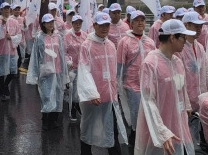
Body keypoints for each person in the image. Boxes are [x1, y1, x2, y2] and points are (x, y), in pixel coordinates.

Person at [135, 19, 194, 155]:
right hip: (158, 127)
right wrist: (162, 131)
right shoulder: (150, 64)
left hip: (178, 123)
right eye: (183, 37)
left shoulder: (177, 62)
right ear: (172, 38)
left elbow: (182, 90)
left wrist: (187, 105)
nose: (185, 41)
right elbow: (148, 101)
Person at [77, 12, 127, 154]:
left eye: (107, 25)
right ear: (94, 26)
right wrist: (92, 93)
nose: (105, 28)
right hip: (93, 98)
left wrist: (116, 90)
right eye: (101, 25)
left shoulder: (110, 45)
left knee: (112, 128)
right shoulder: (87, 46)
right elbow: (84, 70)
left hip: (109, 97)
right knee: (88, 127)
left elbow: (113, 71)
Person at [116, 10, 155, 147]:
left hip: (148, 86)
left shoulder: (149, 42)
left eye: (142, 20)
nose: (140, 23)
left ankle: (146, 146)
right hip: (131, 87)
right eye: (137, 20)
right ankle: (134, 145)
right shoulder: (124, 42)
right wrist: (118, 87)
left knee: (149, 117)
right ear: (131, 23)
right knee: (136, 119)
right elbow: (119, 66)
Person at [27, 13, 69, 130]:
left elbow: (61, 54)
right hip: (45, 72)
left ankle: (54, 120)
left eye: (52, 22)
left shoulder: (58, 37)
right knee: (46, 97)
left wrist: (64, 72)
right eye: (48, 22)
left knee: (57, 96)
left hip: (58, 71)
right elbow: (35, 56)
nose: (51, 24)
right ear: (43, 24)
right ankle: (45, 121)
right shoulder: (39, 38)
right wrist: (34, 74)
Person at [177, 11, 208, 144]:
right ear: (186, 25)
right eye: (196, 26)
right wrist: (186, 103)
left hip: (200, 100)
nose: (199, 29)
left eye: (200, 26)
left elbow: (206, 73)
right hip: (187, 102)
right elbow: (179, 80)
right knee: (187, 138)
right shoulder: (180, 48)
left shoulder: (200, 47)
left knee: (199, 138)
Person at [0, 2, 22, 101]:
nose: (7, 10)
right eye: (5, 8)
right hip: (0, 51)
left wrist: (12, 38)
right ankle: (1, 93)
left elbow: (19, 35)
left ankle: (5, 85)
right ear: (1, 10)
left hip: (12, 51)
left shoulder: (14, 22)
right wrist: (2, 26)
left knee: (13, 71)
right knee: (0, 72)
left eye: (8, 8)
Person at [63, 14, 87, 122]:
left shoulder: (85, 35)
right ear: (72, 24)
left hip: (82, 67)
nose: (78, 25)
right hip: (72, 68)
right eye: (75, 23)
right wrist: (68, 61)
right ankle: (72, 110)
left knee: (80, 89)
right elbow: (63, 51)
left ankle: (77, 105)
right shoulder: (67, 36)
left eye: (79, 23)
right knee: (72, 90)